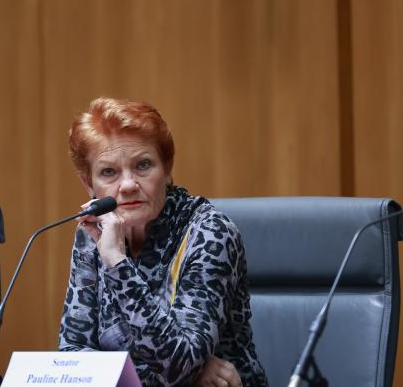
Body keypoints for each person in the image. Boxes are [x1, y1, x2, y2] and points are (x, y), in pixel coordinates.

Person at [58, 97, 268, 386]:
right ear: (88, 183)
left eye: (143, 165)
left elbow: (177, 366)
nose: (128, 184)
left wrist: (117, 263)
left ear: (167, 169)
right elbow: (73, 354)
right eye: (109, 172)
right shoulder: (93, 231)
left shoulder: (210, 232)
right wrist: (190, 372)